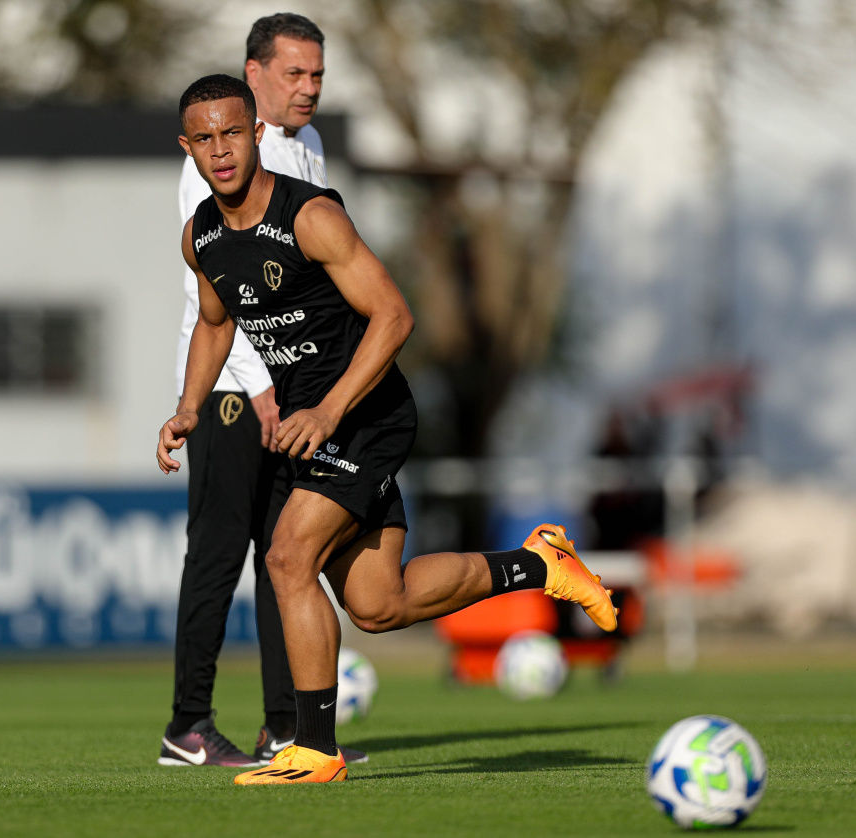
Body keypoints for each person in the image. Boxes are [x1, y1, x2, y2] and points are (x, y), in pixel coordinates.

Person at [157, 74, 618, 785]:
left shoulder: (308, 216)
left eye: (231, 133)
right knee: (379, 604)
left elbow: (394, 316)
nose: (220, 150)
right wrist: (189, 406)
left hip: (364, 414)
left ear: (254, 133)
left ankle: (312, 748)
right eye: (204, 138)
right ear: (186, 147)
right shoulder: (203, 237)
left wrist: (329, 409)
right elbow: (216, 325)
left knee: (285, 559)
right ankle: (541, 564)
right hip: (315, 427)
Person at [159, 13, 365, 769]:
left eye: (317, 74)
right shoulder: (213, 158)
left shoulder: (304, 146)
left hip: (293, 385)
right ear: (254, 76)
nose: (308, 88)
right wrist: (258, 385)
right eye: (293, 74)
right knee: (217, 555)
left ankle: (288, 729)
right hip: (232, 390)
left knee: (290, 554)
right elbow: (218, 289)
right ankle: (186, 726)